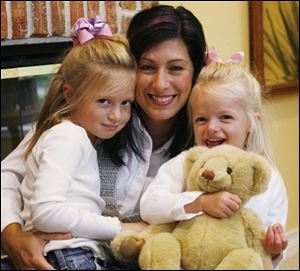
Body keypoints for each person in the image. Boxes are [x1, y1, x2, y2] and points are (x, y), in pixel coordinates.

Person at [1, 5, 207, 270]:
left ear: (195, 72)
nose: (160, 84)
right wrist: (12, 235)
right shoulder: (87, 122)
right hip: (74, 255)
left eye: (176, 68)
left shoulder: (208, 132)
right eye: (147, 67)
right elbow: (9, 173)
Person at [1, 16, 149, 270]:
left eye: (125, 103)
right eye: (104, 101)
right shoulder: (68, 137)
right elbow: (46, 212)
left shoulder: (72, 134)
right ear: (71, 94)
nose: (117, 115)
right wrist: (120, 228)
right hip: (69, 256)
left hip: (77, 254)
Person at [140, 55, 288, 267]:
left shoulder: (267, 178)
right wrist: (199, 202)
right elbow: (149, 206)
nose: (211, 128)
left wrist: (274, 251)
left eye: (225, 117)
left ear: (251, 123)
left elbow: (263, 254)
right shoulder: (185, 164)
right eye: (201, 119)